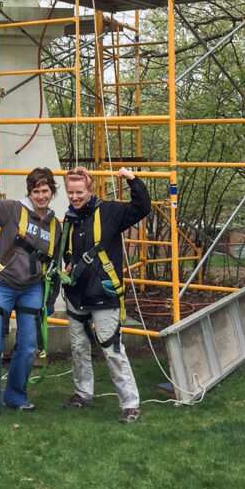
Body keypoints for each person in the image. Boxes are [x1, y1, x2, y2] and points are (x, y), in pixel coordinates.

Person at [0, 165, 62, 419]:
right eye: (36, 191)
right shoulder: (12, 210)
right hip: (2, 285)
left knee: (29, 346)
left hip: (32, 289)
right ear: (29, 192)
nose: (40, 196)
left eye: (45, 191)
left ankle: (16, 396)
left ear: (51, 192)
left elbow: (55, 266)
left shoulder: (56, 227)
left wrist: (50, 300)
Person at [60, 164, 150, 423]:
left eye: (79, 192)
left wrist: (132, 180)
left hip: (103, 293)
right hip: (77, 294)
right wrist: (66, 261)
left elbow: (142, 207)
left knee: (111, 349)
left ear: (90, 190)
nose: (75, 197)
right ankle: (82, 392)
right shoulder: (70, 218)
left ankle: (130, 403)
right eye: (70, 193)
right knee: (78, 347)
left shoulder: (110, 212)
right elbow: (70, 250)